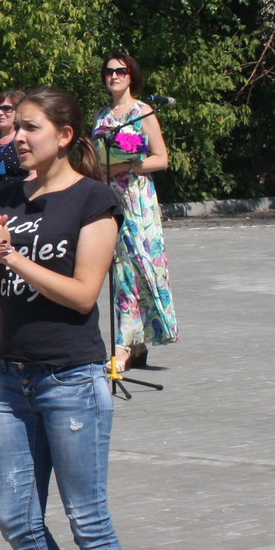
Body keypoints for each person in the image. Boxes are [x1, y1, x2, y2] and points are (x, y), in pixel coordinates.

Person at [0, 87, 136, 550]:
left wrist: (13, 254)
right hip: (11, 381)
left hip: (72, 379)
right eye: (16, 127)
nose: (17, 137)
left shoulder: (95, 200)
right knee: (16, 519)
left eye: (31, 127)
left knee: (88, 521)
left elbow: (84, 294)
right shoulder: (5, 201)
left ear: (64, 135)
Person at [93, 53, 178, 370]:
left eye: (120, 71)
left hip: (137, 200)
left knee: (141, 266)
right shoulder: (102, 116)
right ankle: (132, 344)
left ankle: (126, 345)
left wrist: (125, 166)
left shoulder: (142, 112)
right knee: (121, 271)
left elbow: (161, 158)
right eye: (108, 71)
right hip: (109, 198)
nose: (113, 76)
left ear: (132, 75)